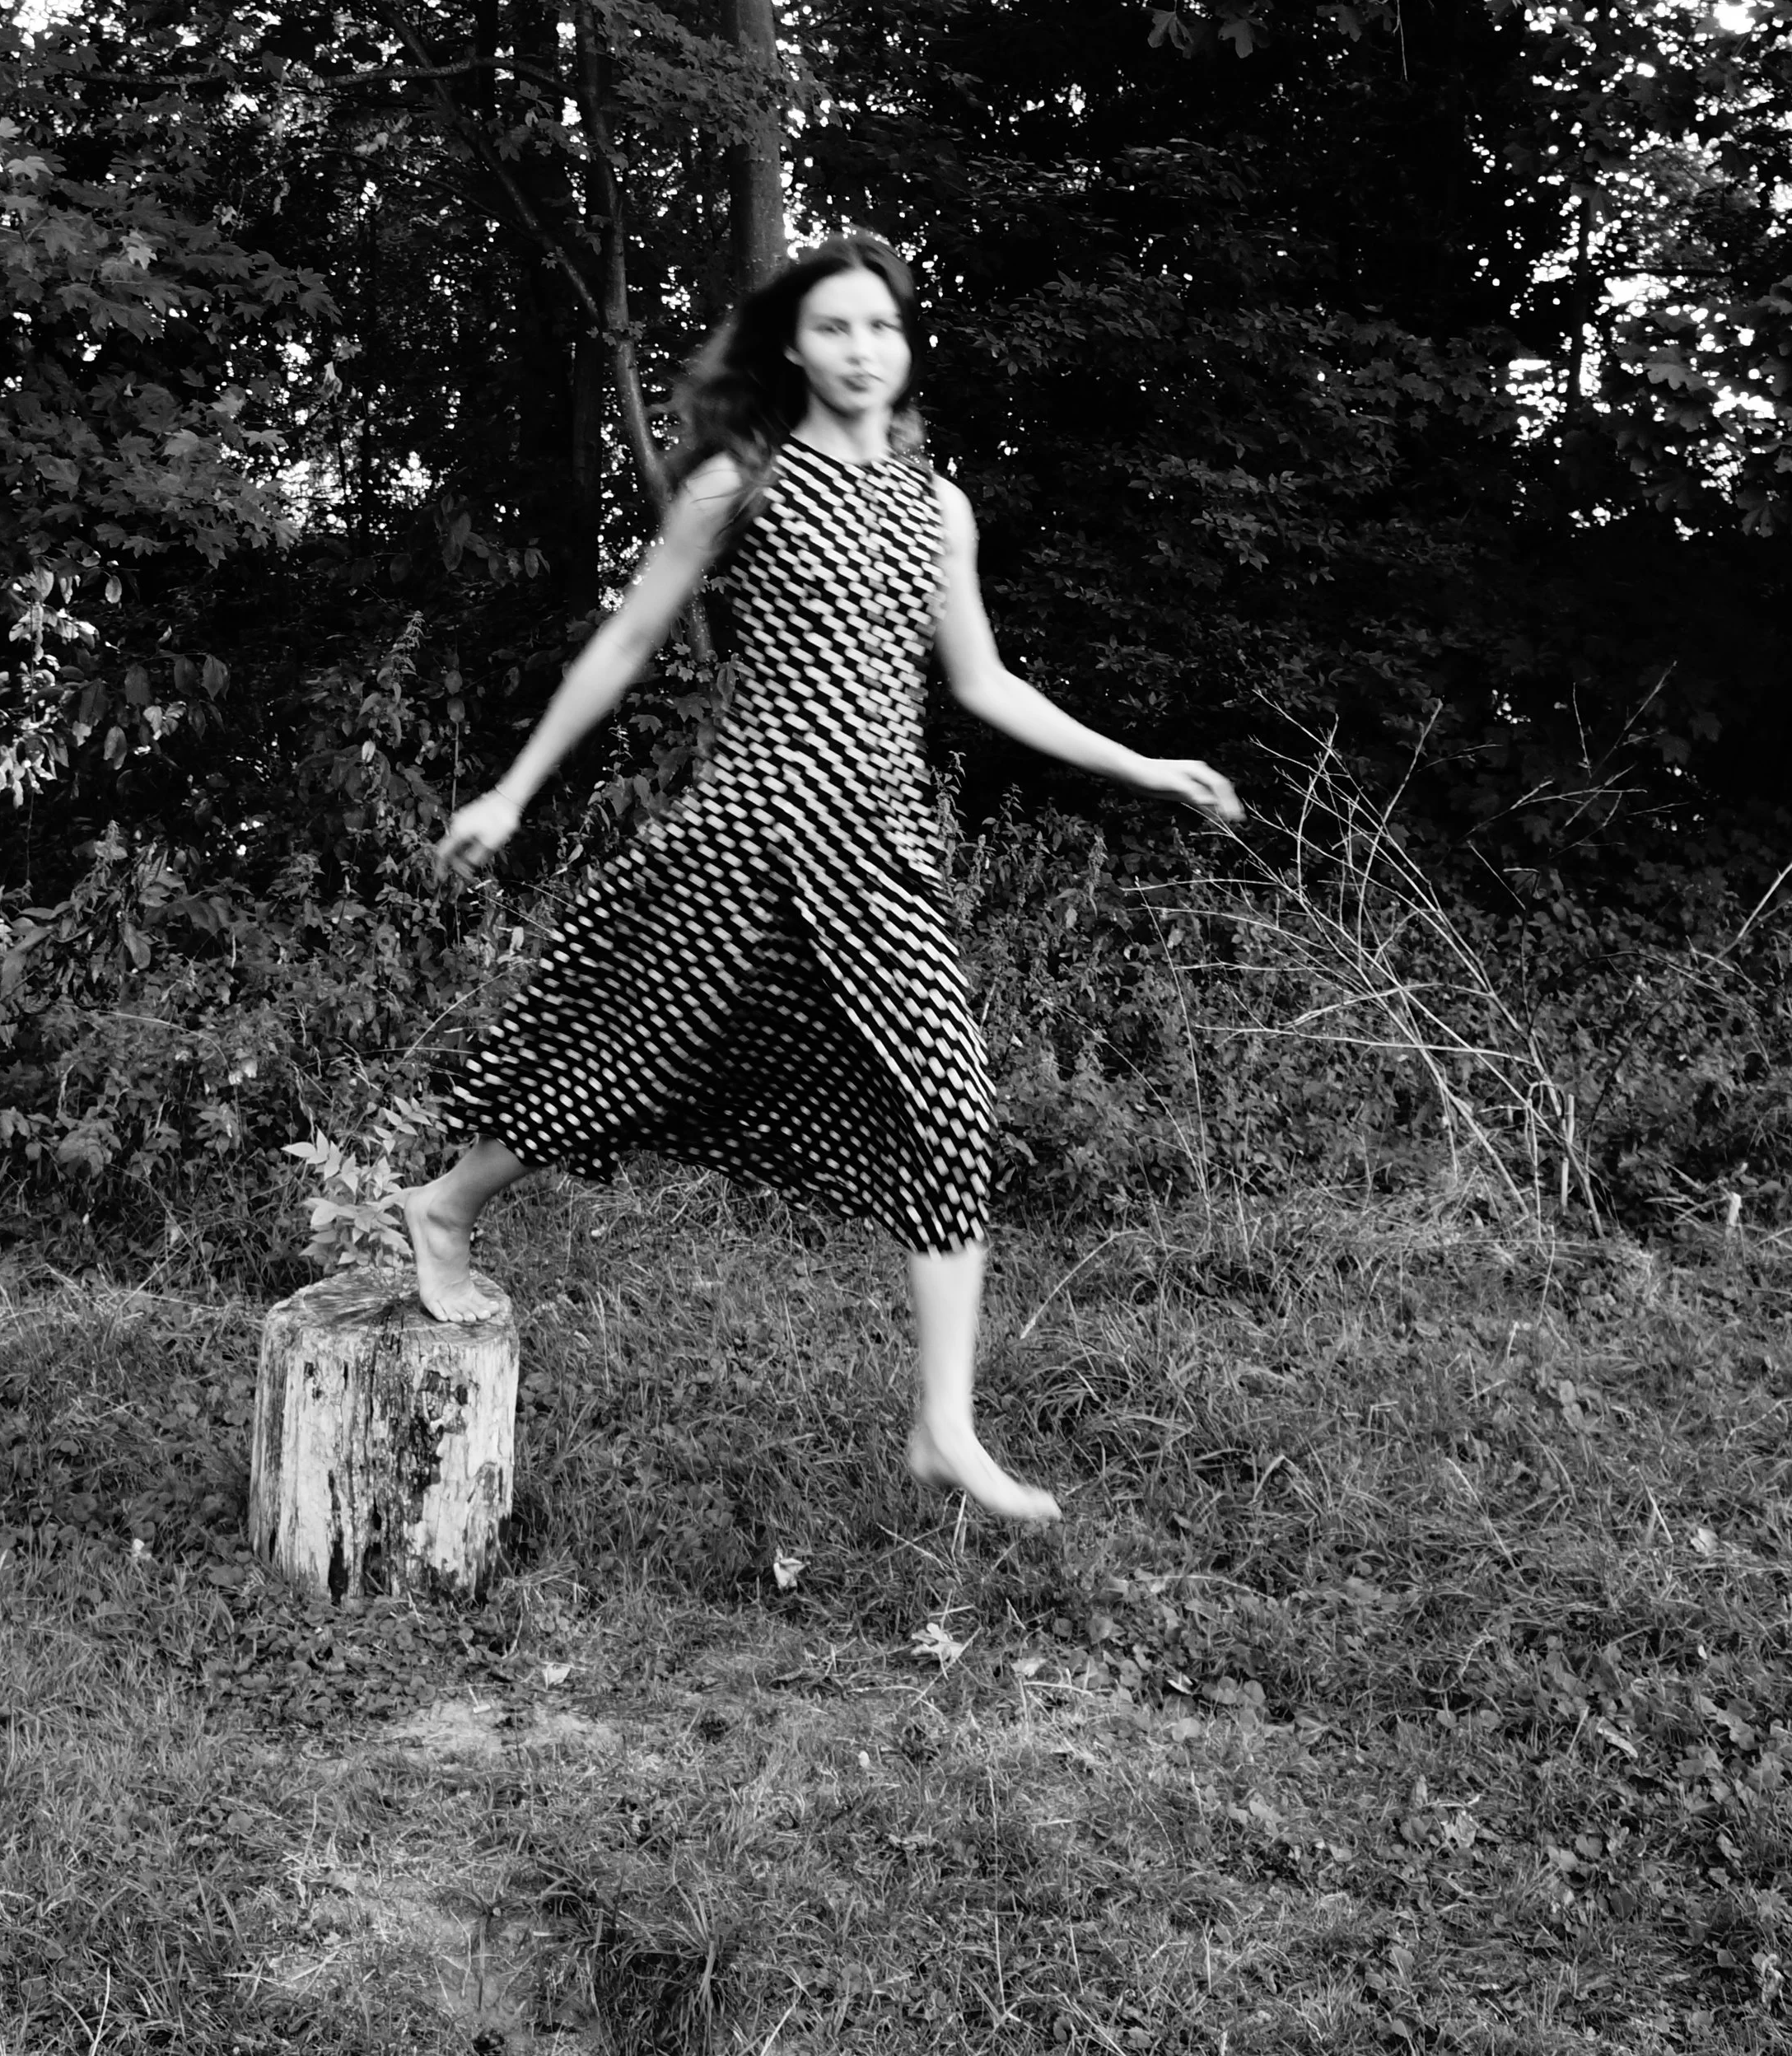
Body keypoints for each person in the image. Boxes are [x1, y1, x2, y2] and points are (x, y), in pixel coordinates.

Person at [400, 236, 1241, 1522]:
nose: (863, 349)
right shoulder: (740, 480)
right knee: (629, 1052)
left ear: (905, 347)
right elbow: (628, 638)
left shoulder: (936, 505)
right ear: (793, 343)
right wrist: (513, 790)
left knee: (949, 1107)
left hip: (882, 850)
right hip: (747, 831)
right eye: (837, 326)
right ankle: (445, 1207)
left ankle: (942, 1426)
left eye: (884, 328)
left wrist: (1140, 763)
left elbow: (983, 684)